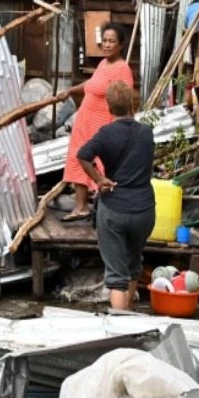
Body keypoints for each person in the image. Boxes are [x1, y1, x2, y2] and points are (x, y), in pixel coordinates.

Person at [76, 80, 157, 311]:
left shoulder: (105, 134)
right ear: (133, 105)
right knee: (133, 264)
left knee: (116, 276)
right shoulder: (146, 133)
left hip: (114, 209)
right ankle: (128, 318)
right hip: (144, 210)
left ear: (109, 108)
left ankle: (119, 329)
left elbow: (83, 155)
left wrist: (100, 179)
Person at [61, 22, 134, 222]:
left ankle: (103, 211)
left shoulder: (122, 69)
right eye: (105, 41)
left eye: (112, 41)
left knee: (101, 165)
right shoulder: (103, 64)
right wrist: (70, 90)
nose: (107, 45)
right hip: (84, 121)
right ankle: (81, 207)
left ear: (121, 45)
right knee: (78, 160)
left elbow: (124, 99)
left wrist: (123, 128)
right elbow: (92, 84)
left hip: (102, 124)